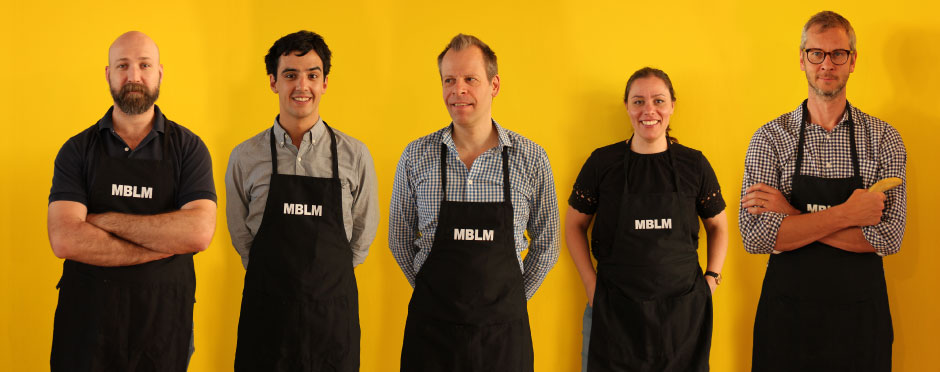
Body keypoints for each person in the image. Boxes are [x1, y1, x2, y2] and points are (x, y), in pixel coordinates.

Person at [740, 11, 907, 372]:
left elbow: (889, 238)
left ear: (853, 61)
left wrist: (791, 216)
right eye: (816, 53)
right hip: (786, 323)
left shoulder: (884, 139)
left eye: (838, 54)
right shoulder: (769, 139)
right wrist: (849, 215)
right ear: (802, 59)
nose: (827, 64)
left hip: (861, 324)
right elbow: (755, 237)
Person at [388, 34, 559, 372]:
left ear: (494, 85)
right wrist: (431, 292)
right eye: (449, 80)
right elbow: (399, 238)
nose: (458, 89)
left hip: (504, 338)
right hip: (432, 332)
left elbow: (548, 243)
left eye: (470, 79)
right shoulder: (416, 156)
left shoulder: (531, 159)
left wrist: (511, 301)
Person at [47, 31, 216, 371]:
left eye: (144, 65)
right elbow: (65, 238)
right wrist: (161, 245)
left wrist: (102, 221)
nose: (134, 76)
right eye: (122, 65)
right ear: (108, 74)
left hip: (164, 323)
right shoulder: (77, 150)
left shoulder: (189, 149)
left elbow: (198, 232)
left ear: (160, 73)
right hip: (86, 325)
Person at [226, 30, 379, 371]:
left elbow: (362, 236)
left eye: (312, 75)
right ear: (273, 82)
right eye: (290, 75)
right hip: (267, 316)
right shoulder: (245, 157)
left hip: (332, 319)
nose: (302, 86)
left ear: (325, 82)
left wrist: (327, 278)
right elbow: (240, 235)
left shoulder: (354, 155)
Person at [566, 67, 728, 371]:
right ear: (627, 107)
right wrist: (591, 286)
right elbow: (574, 224)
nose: (648, 110)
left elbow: (718, 225)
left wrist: (712, 280)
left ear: (672, 106)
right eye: (638, 101)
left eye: (658, 101)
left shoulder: (694, 164)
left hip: (683, 316)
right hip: (614, 313)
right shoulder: (602, 163)